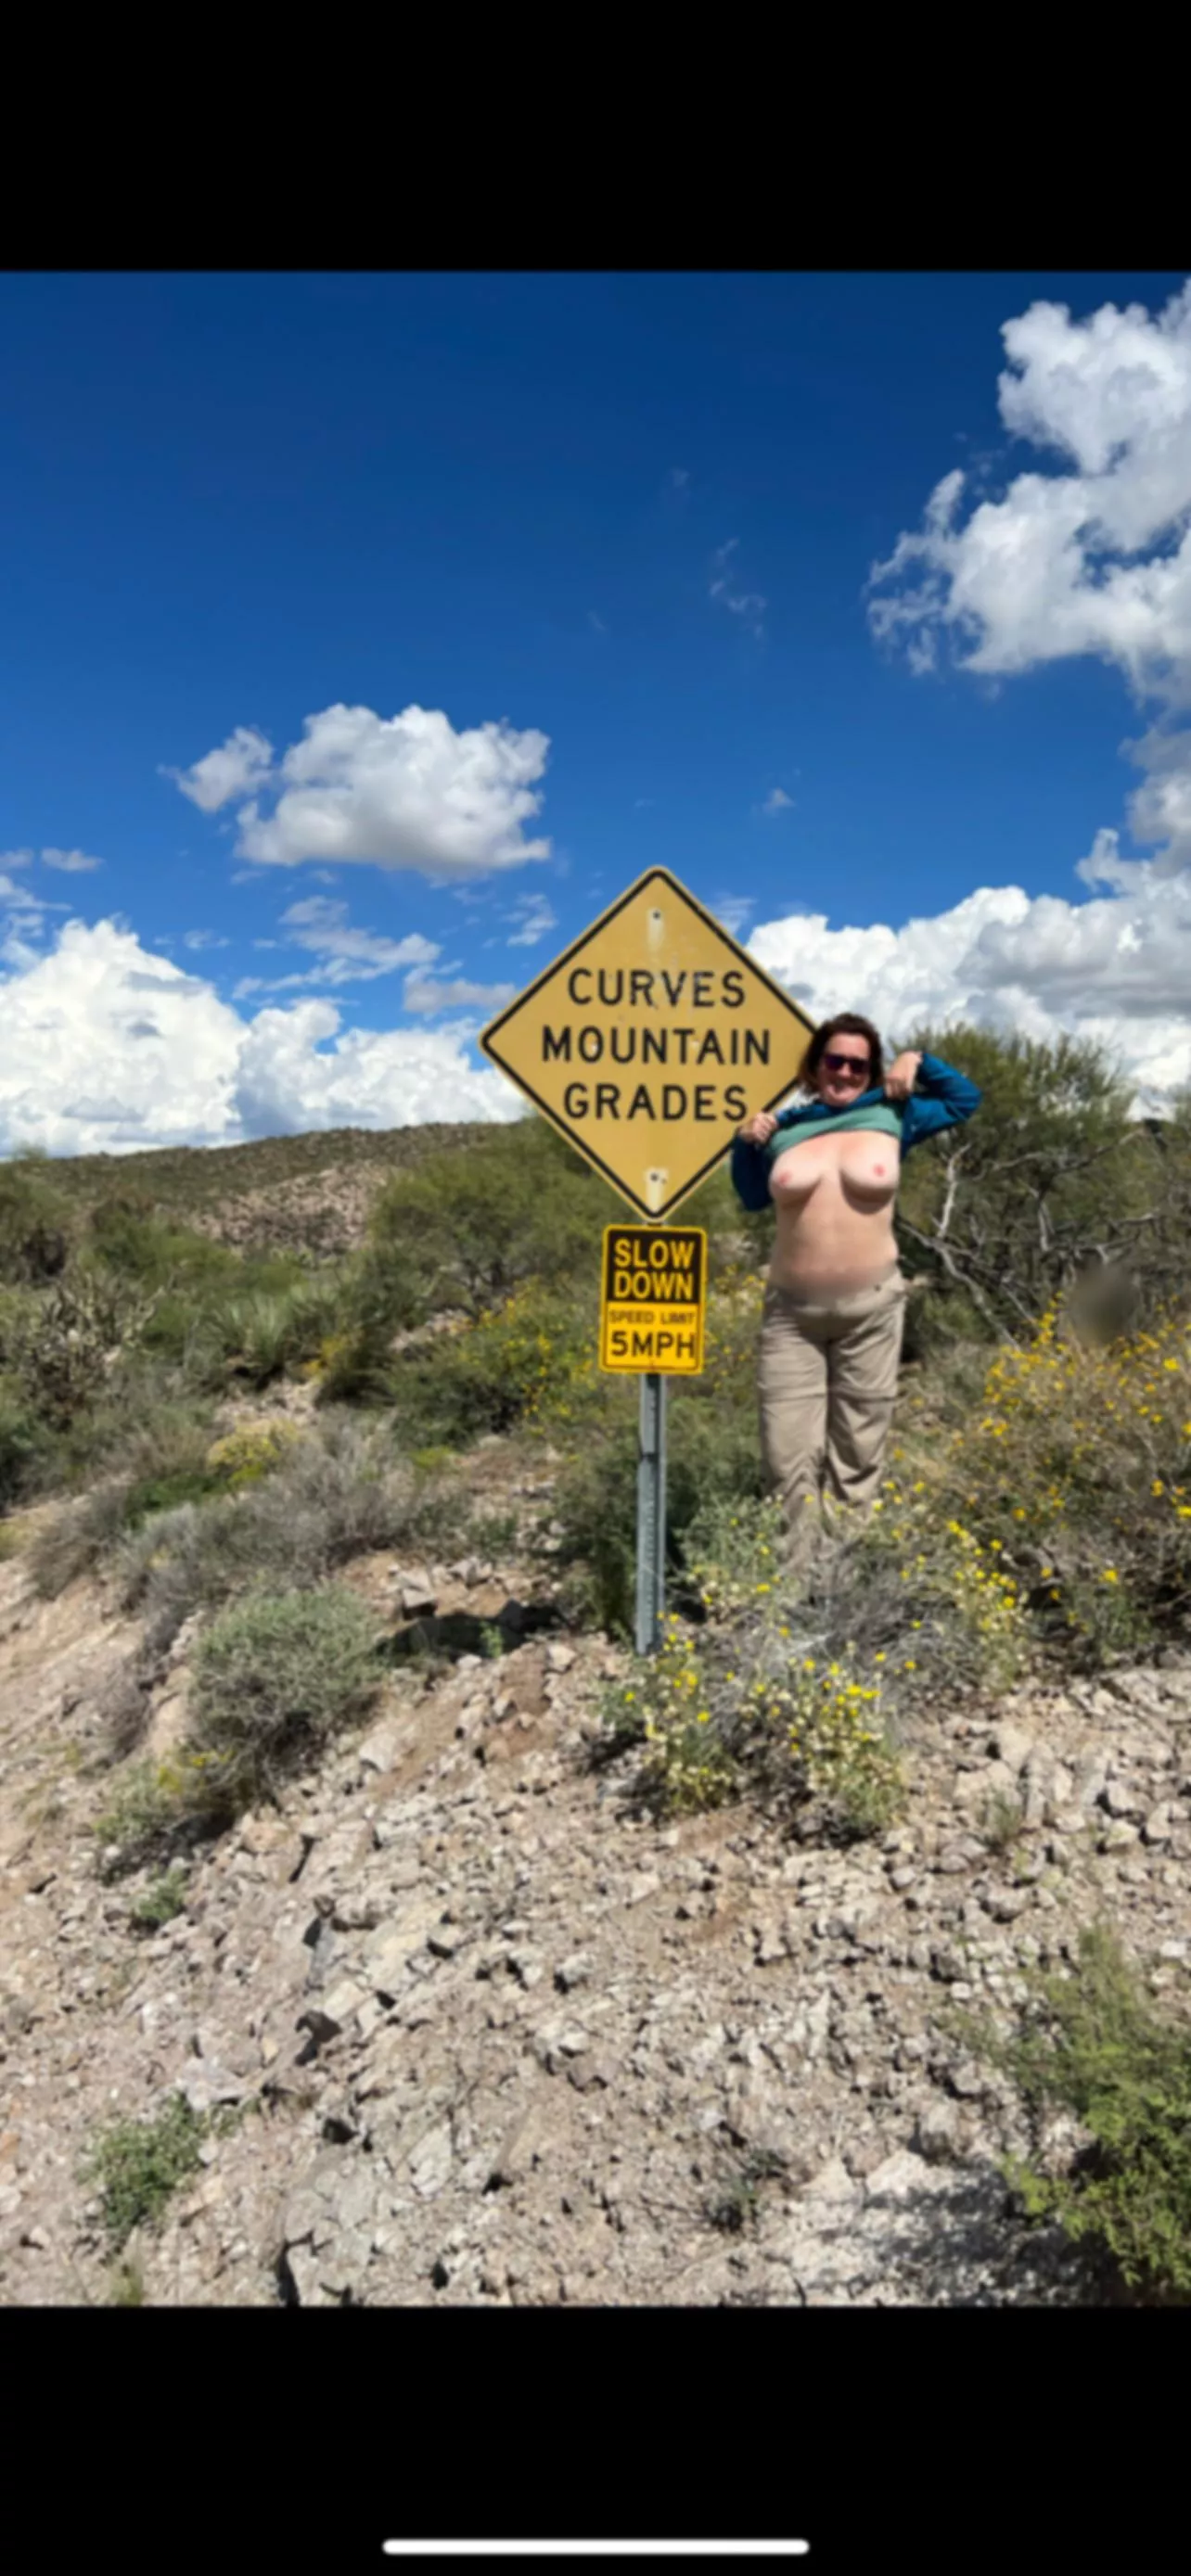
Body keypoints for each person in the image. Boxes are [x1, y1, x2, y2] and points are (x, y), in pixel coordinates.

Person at [731, 1014, 981, 1554]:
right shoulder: (787, 1127)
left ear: (870, 1071)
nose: (843, 1072)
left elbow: (965, 1100)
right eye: (833, 1060)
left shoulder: (895, 1114)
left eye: (857, 1064)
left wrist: (917, 1058)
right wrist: (745, 1143)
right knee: (786, 1455)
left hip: (871, 1309)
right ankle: (794, 1587)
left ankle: (840, 1583)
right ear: (815, 1064)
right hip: (791, 1315)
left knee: (857, 1453)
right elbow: (751, 1196)